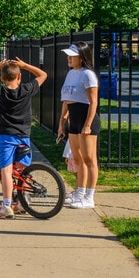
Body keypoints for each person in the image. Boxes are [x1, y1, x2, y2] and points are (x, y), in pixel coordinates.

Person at [0, 57, 47, 219]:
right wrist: (25, 65)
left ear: (2, 79)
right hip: (24, 136)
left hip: (6, 137)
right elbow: (43, 75)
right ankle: (23, 201)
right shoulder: (26, 90)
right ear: (19, 77)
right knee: (21, 171)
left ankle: (7, 206)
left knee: (6, 171)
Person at [58, 42, 100, 209]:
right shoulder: (71, 74)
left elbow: (93, 101)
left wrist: (88, 125)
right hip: (74, 119)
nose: (68, 58)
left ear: (81, 57)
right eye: (68, 55)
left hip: (85, 119)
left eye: (72, 56)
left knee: (90, 159)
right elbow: (66, 99)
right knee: (77, 159)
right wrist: (62, 121)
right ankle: (79, 193)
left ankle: (90, 197)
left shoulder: (88, 74)